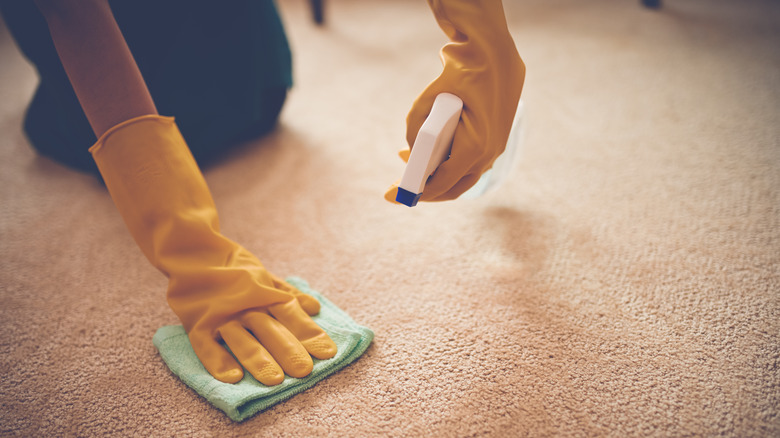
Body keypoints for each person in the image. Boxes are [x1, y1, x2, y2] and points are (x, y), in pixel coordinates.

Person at [1, 0, 524, 385]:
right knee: (110, 115)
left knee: (248, 89)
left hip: (249, 62)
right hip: (103, 31)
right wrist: (186, 241)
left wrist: (479, 37)